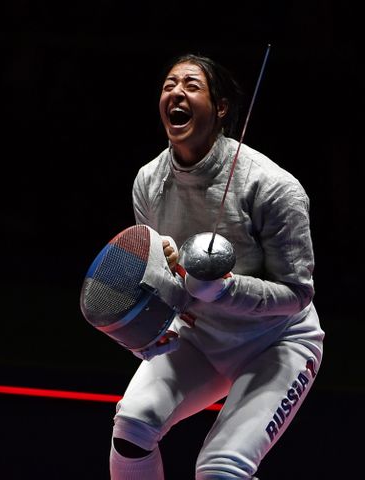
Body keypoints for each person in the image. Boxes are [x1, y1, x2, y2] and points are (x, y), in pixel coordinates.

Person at [107, 53, 325, 479]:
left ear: (220, 108)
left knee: (220, 469)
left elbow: (298, 292)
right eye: (169, 84)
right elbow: (157, 277)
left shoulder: (273, 186)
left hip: (276, 343)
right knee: (130, 431)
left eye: (191, 84)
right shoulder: (148, 182)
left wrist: (226, 289)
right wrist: (151, 329)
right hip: (200, 338)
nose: (176, 92)